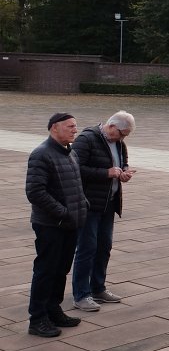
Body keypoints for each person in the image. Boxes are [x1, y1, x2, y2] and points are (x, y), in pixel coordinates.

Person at [25, 113, 88, 337]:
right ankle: (37, 319)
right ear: (54, 128)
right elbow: (35, 192)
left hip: (69, 224)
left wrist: (83, 205)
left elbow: (76, 186)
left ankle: (53, 309)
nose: (75, 130)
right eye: (70, 126)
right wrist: (63, 213)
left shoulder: (70, 152)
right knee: (46, 271)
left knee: (61, 270)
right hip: (50, 225)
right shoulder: (41, 154)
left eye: (75, 126)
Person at [71, 111, 136, 312]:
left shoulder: (119, 143)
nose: (122, 138)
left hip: (108, 203)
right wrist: (106, 173)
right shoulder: (86, 139)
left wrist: (124, 172)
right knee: (87, 248)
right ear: (112, 126)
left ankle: (98, 288)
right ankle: (81, 294)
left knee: (104, 247)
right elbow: (74, 168)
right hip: (89, 204)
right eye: (122, 134)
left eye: (125, 135)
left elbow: (122, 162)